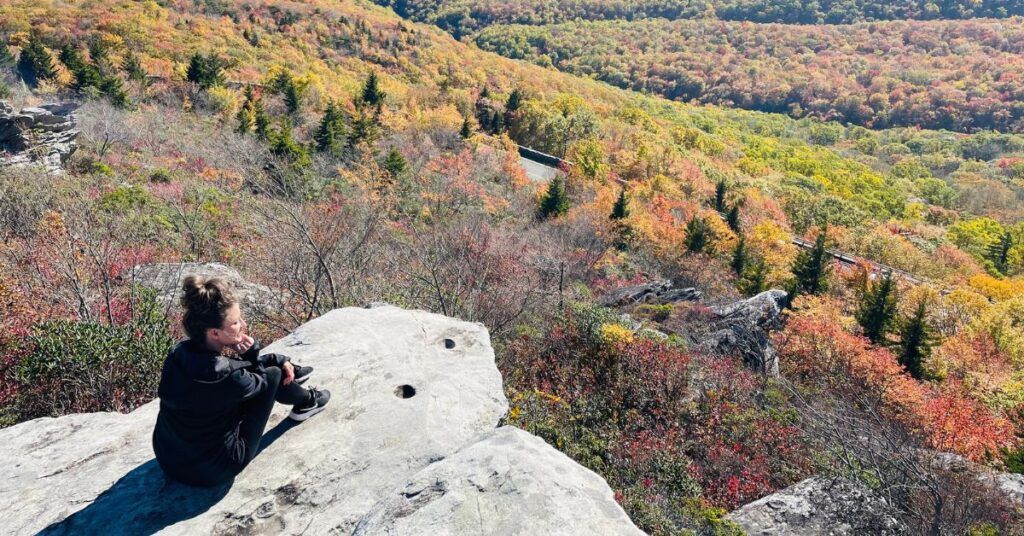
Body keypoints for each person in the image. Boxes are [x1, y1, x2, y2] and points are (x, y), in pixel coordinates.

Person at [152, 275, 331, 487]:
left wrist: (275, 358)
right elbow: (265, 379)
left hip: (168, 457)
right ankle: (307, 402)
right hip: (215, 470)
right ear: (215, 333)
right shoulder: (227, 374)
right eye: (236, 322)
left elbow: (234, 373)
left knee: (269, 370)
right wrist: (255, 355)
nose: (243, 325)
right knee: (274, 375)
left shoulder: (177, 354)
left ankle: (294, 376)